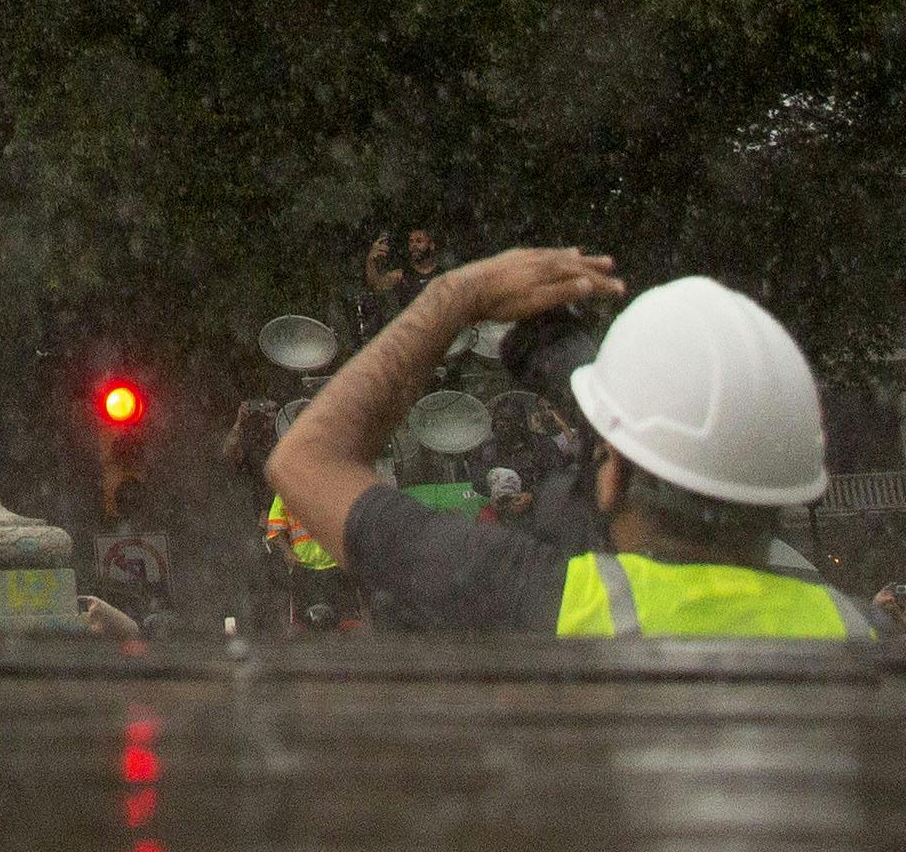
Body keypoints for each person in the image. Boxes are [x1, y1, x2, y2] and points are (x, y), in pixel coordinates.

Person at [269, 244, 873, 638]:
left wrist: (452, 298)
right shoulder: (859, 633)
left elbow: (306, 459)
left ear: (610, 476)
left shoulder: (545, 599)